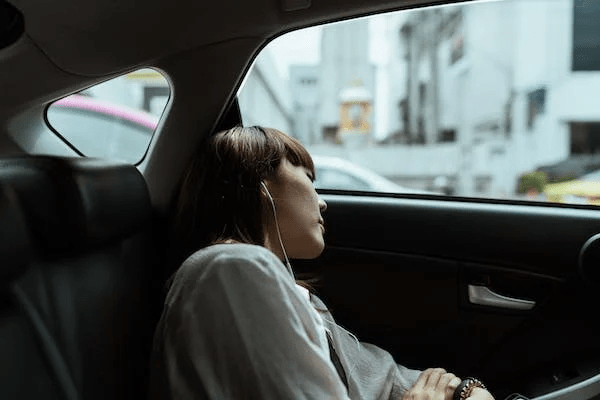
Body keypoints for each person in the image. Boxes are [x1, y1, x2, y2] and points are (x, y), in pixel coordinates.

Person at [149, 126, 495, 400]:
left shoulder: (295, 293)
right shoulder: (229, 269)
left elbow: (385, 377)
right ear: (259, 185)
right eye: (310, 180)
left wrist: (465, 390)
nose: (324, 203)